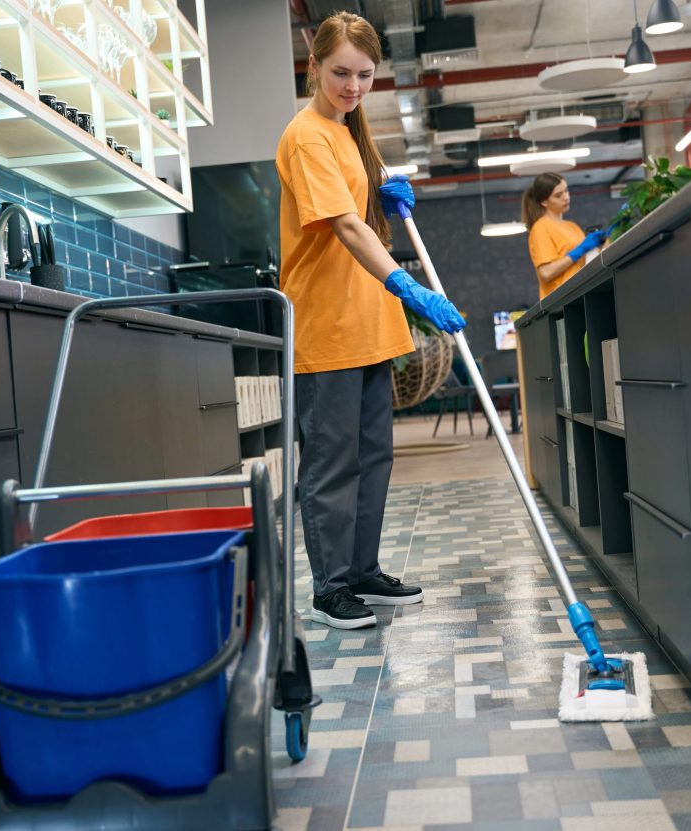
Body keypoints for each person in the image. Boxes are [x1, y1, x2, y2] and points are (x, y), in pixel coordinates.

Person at [275, 11, 466, 630]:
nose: (353, 86)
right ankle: (330, 588)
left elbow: (361, 208)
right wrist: (410, 286)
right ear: (314, 66)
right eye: (340, 73)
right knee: (332, 462)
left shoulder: (346, 132)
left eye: (364, 75)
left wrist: (383, 187)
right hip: (326, 324)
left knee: (374, 457)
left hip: (365, 322)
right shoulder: (307, 134)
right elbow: (346, 228)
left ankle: (361, 572)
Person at [522, 173, 607, 299]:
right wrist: (577, 252)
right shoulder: (540, 228)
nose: (566, 197)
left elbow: (591, 261)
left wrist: (608, 240)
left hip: (583, 293)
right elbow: (546, 272)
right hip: (561, 302)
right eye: (558, 195)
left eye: (566, 191)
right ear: (544, 201)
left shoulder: (572, 226)